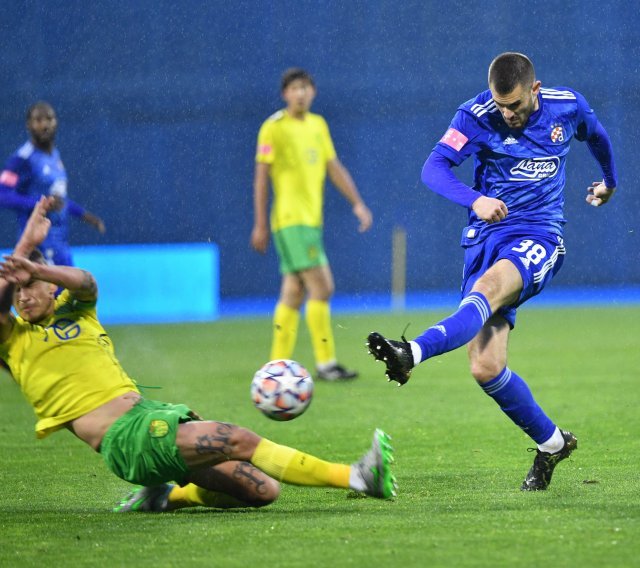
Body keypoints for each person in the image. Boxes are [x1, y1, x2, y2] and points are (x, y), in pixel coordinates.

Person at [0, 197, 396, 512]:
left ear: (51, 287)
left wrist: (40, 266)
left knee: (262, 490)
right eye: (17, 291)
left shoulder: (75, 309)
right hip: (127, 440)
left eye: (32, 285)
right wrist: (26, 248)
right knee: (237, 438)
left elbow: (87, 282)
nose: (24, 295)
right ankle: (358, 477)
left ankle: (166, 497)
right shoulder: (14, 340)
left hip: (151, 415)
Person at [367, 52, 617, 491]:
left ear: (534, 91)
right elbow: (433, 168)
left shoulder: (567, 106)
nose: (508, 114)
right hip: (485, 238)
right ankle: (553, 443)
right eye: (502, 106)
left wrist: (609, 181)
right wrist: (474, 199)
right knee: (485, 366)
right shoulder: (476, 115)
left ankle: (411, 353)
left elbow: (596, 136)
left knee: (486, 290)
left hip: (540, 235)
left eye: (515, 106)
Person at [250, 68, 372, 382]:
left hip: (310, 222)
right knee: (323, 286)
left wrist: (357, 203)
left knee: (293, 291)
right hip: (291, 221)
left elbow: (333, 167)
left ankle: (275, 367)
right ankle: (326, 363)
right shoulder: (273, 128)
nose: (300, 93)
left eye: (305, 87)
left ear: (313, 92)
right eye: (294, 88)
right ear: (284, 94)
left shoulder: (318, 125)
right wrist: (260, 223)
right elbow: (262, 176)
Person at [0, 101, 105, 266]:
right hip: (38, 245)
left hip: (60, 242)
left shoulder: (54, 155)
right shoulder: (22, 158)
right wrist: (41, 203)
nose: (45, 125)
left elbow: (58, 199)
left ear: (56, 122)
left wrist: (84, 215)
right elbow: (2, 196)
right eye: (38, 120)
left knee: (73, 290)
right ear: (29, 125)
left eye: (49, 119)